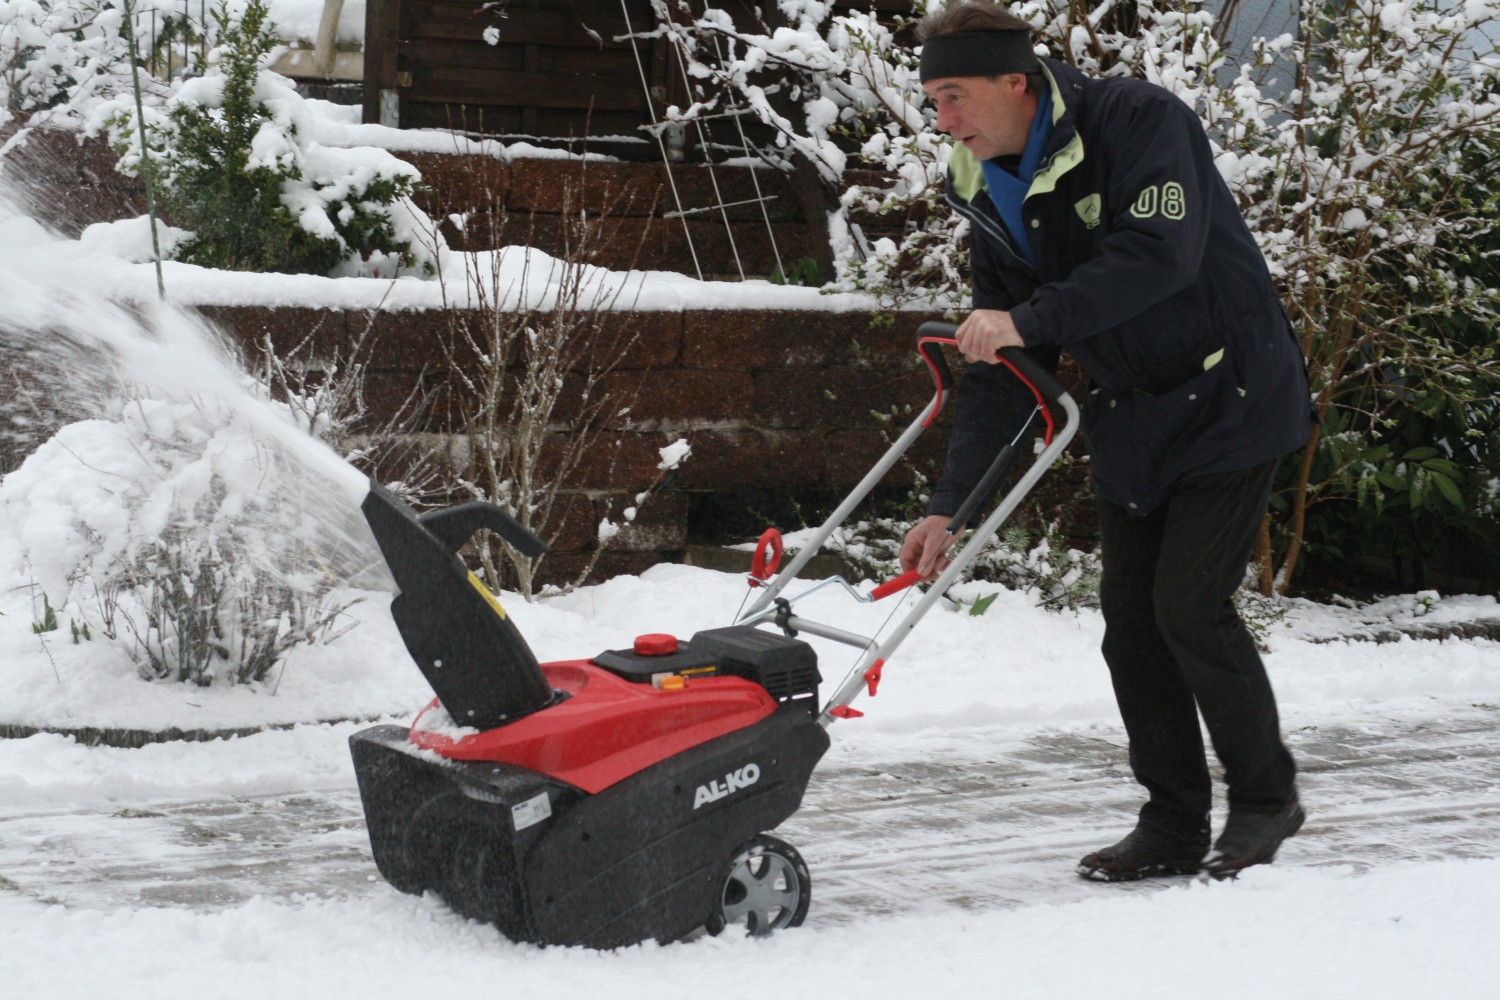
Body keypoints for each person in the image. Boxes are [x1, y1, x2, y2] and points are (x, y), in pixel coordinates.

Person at [899, 2, 1315, 880]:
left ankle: (1268, 800)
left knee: (1189, 609)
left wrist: (1024, 318)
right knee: (1130, 627)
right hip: (1134, 412)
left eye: (953, 96)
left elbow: (1157, 255)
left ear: (1015, 82)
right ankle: (1171, 826)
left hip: (1231, 390)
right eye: (934, 101)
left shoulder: (1138, 121)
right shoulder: (984, 183)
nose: (944, 121)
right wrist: (951, 507)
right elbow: (1006, 362)